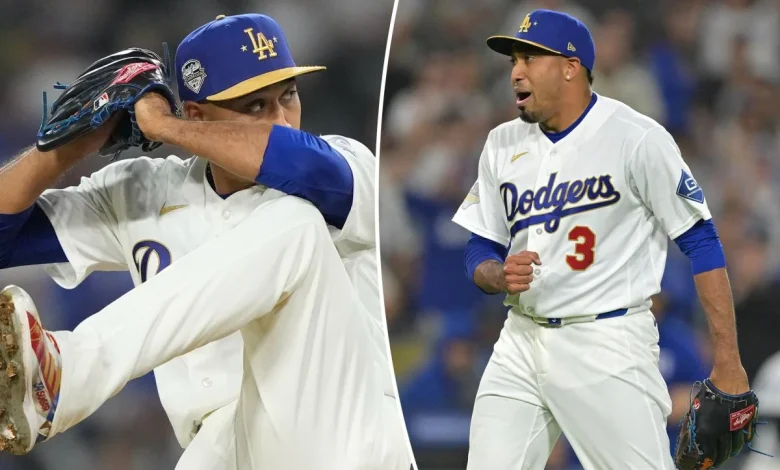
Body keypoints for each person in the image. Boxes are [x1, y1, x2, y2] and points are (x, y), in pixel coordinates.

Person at [0, 13, 410, 470]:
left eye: (288, 95)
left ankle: (68, 374)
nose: (282, 120)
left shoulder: (347, 165)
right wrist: (68, 146)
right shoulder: (144, 192)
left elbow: (303, 166)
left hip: (335, 434)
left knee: (297, 221)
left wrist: (167, 128)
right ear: (198, 113)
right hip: (215, 450)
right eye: (255, 106)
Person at [452, 9, 752, 469]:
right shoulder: (501, 143)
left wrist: (728, 362)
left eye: (530, 58)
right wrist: (495, 274)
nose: (516, 72)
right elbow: (480, 247)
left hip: (606, 343)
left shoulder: (636, 138)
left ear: (571, 67)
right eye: (514, 60)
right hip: (520, 341)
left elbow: (702, 242)